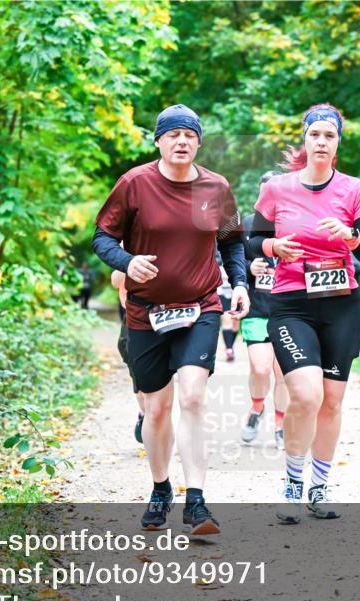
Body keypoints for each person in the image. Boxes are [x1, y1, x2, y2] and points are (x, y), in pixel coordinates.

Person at [92, 104, 249, 535]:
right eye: (173, 134)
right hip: (146, 312)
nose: (182, 141)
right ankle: (161, 489)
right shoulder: (134, 184)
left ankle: (197, 501)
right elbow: (102, 237)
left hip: (201, 306)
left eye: (190, 135)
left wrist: (239, 284)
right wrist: (126, 260)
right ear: (158, 141)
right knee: (157, 409)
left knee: (193, 396)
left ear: (199, 142)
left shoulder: (216, 187)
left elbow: (233, 242)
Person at [247, 103, 360, 523]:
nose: (321, 142)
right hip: (291, 306)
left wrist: (352, 236)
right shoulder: (277, 189)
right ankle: (291, 484)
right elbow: (250, 239)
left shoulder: (354, 189)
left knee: (332, 402)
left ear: (337, 143)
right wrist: (274, 247)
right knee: (306, 394)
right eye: (315, 135)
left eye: (330, 136)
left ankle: (318, 488)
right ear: (305, 141)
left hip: (341, 306)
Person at [240, 171, 288, 448]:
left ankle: (281, 425)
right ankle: (257, 409)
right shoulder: (245, 225)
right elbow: (226, 260)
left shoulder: (295, 222)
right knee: (260, 369)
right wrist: (250, 268)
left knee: (282, 372)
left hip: (287, 310)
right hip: (257, 309)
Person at [111, 269, 146, 443]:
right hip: (133, 311)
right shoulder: (127, 244)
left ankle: (158, 417)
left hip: (165, 310)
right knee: (130, 354)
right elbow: (116, 281)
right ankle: (145, 413)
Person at [217, 264, 240, 362]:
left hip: (236, 294)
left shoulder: (237, 262)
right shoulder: (217, 259)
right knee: (226, 320)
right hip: (222, 294)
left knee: (236, 324)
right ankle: (229, 349)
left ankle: (231, 345)